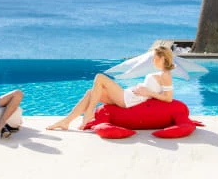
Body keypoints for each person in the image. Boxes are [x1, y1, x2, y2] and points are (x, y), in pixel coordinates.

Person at [47, 45, 175, 131]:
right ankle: (66, 121)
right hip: (129, 95)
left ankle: (89, 113)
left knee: (100, 77)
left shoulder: (166, 75)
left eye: (155, 58)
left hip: (129, 99)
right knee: (90, 92)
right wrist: (147, 91)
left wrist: (149, 92)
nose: (152, 60)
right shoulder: (161, 73)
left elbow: (168, 98)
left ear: (162, 58)